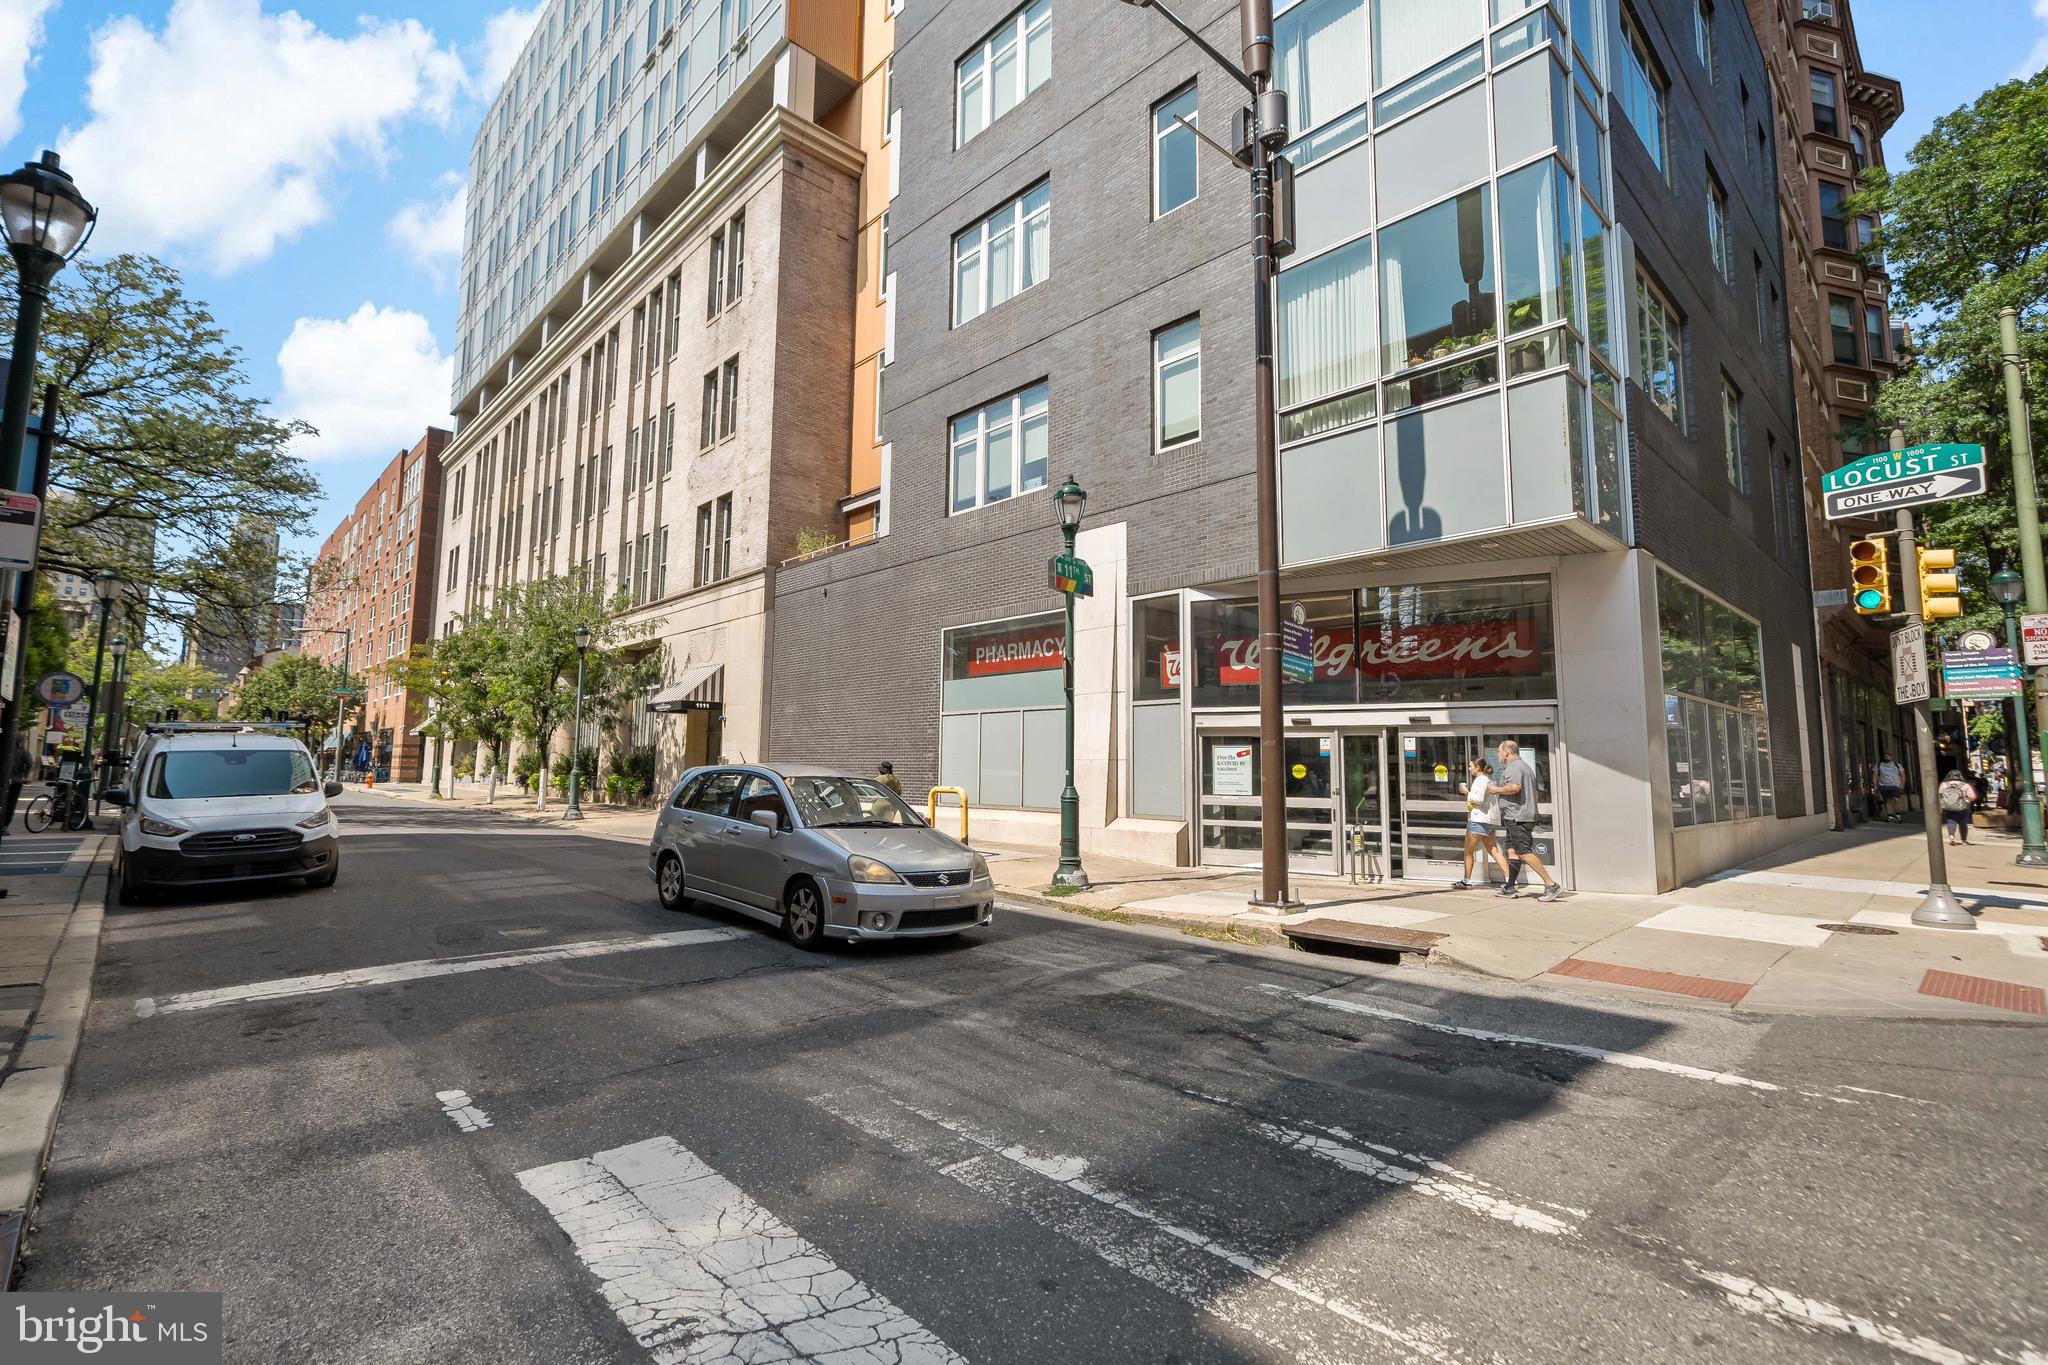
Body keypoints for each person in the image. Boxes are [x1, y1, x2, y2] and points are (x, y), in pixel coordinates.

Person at [1493, 739, 1564, 902]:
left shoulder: (1514, 767)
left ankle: (1551, 885)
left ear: (1506, 753)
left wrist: (1497, 789)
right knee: (1513, 851)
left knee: (1523, 852)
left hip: (1518, 817)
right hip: (1514, 816)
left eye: (1499, 751)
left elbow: (1514, 787)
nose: (1498, 755)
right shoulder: (1524, 767)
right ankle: (1509, 887)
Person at [1451, 756, 1513, 890]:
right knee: (1494, 850)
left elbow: (1478, 799)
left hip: (1478, 821)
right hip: (1488, 821)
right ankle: (1510, 880)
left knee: (1468, 852)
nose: (1469, 769)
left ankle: (1466, 881)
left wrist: (1466, 792)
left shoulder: (1480, 780)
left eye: (1470, 766)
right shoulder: (1488, 779)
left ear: (1478, 767)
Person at [1938, 770, 1975, 846]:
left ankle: (1952, 837)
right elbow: (1972, 796)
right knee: (1963, 823)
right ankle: (1964, 840)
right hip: (1963, 807)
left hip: (1949, 806)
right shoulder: (1965, 785)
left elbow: (1940, 795)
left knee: (1951, 821)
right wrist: (1967, 800)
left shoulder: (1943, 784)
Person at [1875, 753, 1906, 822]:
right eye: (1885, 756)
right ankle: (1890, 816)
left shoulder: (1897, 765)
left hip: (1896, 785)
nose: (1887, 757)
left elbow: (1903, 775)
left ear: (1891, 757)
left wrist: (1902, 784)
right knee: (1888, 801)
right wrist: (1875, 785)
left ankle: (1898, 815)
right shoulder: (1879, 765)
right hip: (1884, 785)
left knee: (1896, 799)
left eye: (1888, 756)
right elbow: (1875, 775)